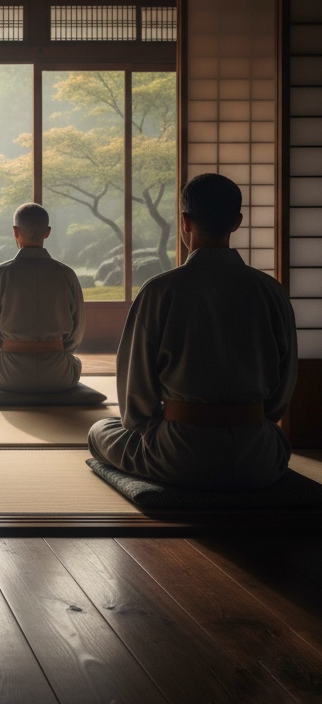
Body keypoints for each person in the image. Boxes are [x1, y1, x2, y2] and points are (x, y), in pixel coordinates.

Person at [89, 173, 296, 490]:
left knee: (101, 430)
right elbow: (283, 388)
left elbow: (136, 399)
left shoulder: (160, 290)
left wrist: (148, 422)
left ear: (185, 221)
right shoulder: (272, 291)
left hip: (180, 455)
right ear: (237, 221)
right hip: (259, 455)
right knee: (277, 440)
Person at [0, 203, 85, 393]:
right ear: (47, 232)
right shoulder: (67, 274)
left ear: (15, 231)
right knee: (75, 363)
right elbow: (77, 331)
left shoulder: (0, 274)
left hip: (8, 375)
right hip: (60, 375)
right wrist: (59, 352)